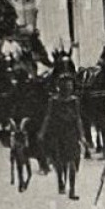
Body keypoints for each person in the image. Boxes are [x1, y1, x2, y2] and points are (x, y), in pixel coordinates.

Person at [41, 72, 85, 200]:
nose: (68, 87)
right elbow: (48, 117)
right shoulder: (53, 101)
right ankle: (61, 180)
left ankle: (72, 189)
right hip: (57, 132)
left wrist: (82, 135)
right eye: (65, 85)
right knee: (59, 161)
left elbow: (78, 118)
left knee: (72, 162)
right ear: (59, 86)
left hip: (71, 133)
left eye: (70, 84)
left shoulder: (75, 101)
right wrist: (43, 132)